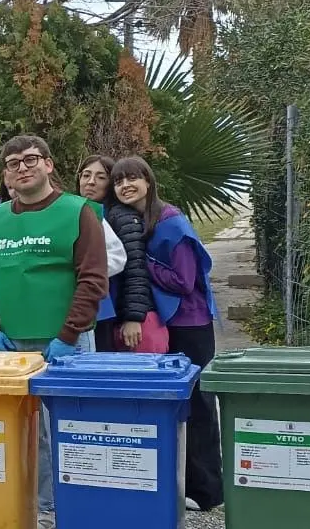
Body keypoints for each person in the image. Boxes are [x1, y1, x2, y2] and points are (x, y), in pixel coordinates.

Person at [0, 135, 107, 524]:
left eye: (30, 159)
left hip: (68, 346)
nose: (22, 167)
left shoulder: (78, 211)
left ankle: (77, 508)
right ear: (6, 174)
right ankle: (38, 509)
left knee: (74, 430)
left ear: (48, 164)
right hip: (11, 346)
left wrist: (68, 335)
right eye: (13, 163)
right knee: (29, 436)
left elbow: (93, 279)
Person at [111, 156, 223, 512]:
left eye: (132, 178)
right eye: (119, 182)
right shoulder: (139, 221)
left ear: (148, 181)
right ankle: (183, 484)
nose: (125, 186)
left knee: (200, 403)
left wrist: (143, 264)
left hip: (191, 323)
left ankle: (208, 490)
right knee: (178, 403)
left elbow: (184, 280)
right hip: (170, 323)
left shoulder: (171, 223)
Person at [78, 155, 154, 353]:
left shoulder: (121, 217)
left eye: (101, 177)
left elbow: (135, 268)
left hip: (109, 311)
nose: (91, 181)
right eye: (86, 175)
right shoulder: (75, 211)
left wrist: (133, 317)